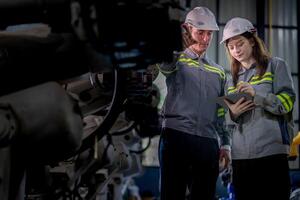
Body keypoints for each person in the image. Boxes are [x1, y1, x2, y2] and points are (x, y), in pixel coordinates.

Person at [157, 6, 231, 200]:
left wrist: (226, 144)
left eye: (209, 34)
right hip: (176, 138)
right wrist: (175, 48)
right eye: (200, 33)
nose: (205, 39)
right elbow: (165, 68)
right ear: (187, 29)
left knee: (204, 196)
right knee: (172, 195)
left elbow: (221, 113)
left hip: (208, 143)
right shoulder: (175, 60)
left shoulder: (219, 72)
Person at [220, 17, 295, 200]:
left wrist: (258, 97)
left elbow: (287, 103)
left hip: (271, 153)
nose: (236, 50)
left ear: (252, 41)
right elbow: (226, 121)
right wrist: (233, 114)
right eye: (231, 47)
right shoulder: (231, 81)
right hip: (241, 158)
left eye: (240, 44)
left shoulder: (276, 65)